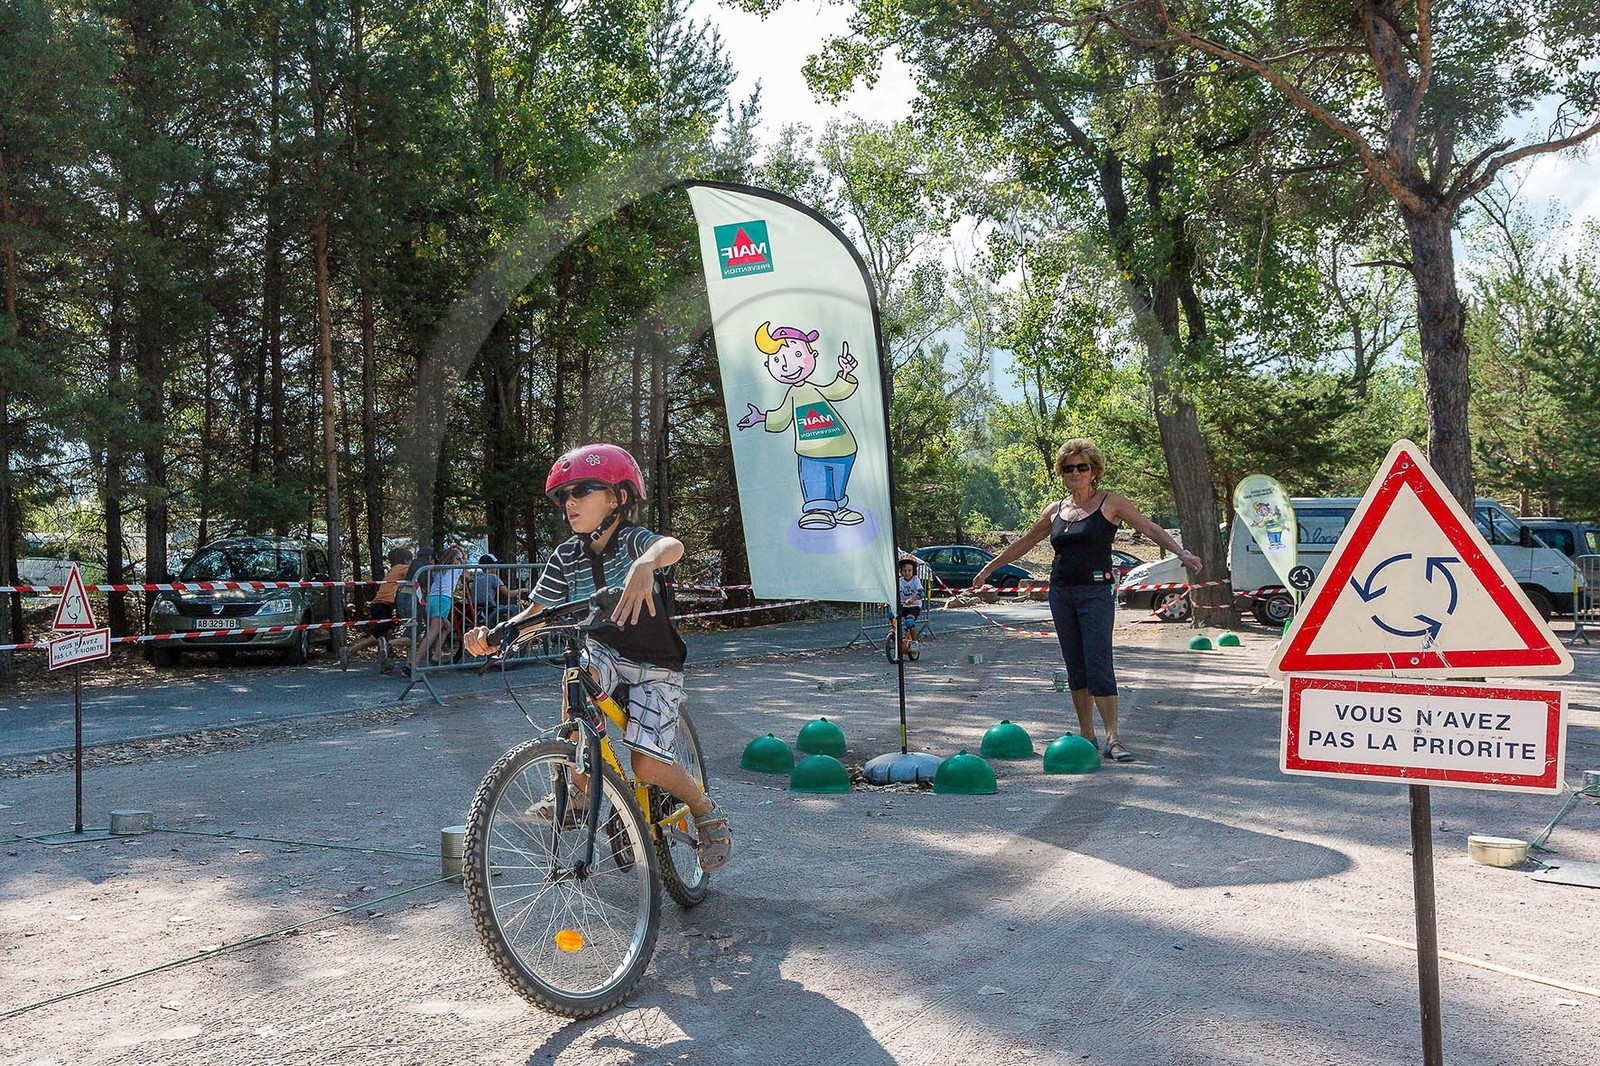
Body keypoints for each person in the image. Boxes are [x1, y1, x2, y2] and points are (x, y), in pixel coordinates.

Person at [463, 443, 732, 872]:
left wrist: (646, 563)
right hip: (605, 652)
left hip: (655, 666)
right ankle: (578, 789)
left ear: (618, 498)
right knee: (578, 672)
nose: (569, 503)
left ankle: (704, 809)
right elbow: (535, 612)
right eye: (562, 497)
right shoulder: (567, 555)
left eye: (582, 491)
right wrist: (495, 635)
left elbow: (671, 546)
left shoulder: (632, 540)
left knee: (646, 763)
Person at [973, 439, 1201, 763]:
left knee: (1098, 663)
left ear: (1094, 471)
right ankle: (1086, 735)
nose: (1076, 473)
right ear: (1062, 473)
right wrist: (989, 568)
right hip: (1061, 593)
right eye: (1069, 468)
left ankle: (1113, 738)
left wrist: (1181, 552)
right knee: (1075, 667)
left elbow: (1149, 527)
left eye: (1082, 467)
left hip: (1096, 594)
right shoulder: (1055, 510)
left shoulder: (1111, 503)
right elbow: (1024, 543)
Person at [352, 547, 413, 673]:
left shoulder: (393, 569)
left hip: (379, 604)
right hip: (383, 605)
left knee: (386, 635)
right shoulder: (401, 568)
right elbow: (416, 570)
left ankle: (384, 664)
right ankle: (350, 650)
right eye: (411, 560)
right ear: (406, 560)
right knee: (377, 636)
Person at [420, 545, 465, 666]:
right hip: (443, 600)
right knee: (433, 632)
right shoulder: (457, 568)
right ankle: (412, 664)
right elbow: (467, 577)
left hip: (431, 599)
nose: (458, 561)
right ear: (453, 559)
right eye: (457, 558)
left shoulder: (438, 570)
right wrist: (464, 564)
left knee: (447, 627)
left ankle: (435, 655)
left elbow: (458, 583)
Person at [470, 554, 519, 627]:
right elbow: (508, 593)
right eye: (495, 564)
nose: (497, 567)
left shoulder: (477, 578)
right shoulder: (493, 577)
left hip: (478, 611)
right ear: (490, 566)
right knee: (516, 609)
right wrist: (522, 590)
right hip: (490, 609)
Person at [897, 558, 924, 654]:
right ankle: (895, 637)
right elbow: (893, 593)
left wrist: (912, 599)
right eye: (904, 571)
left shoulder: (915, 580)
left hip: (914, 607)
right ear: (900, 571)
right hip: (902, 605)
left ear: (913, 571)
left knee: (909, 622)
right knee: (892, 615)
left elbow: (922, 594)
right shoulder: (899, 581)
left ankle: (914, 642)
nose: (907, 573)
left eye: (909, 571)